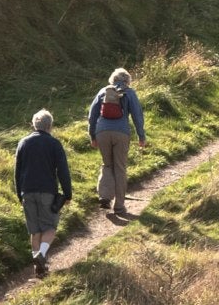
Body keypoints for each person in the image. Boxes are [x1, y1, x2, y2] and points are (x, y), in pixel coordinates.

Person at [14, 109, 73, 276]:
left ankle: (38, 267)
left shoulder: (23, 143)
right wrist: (67, 194)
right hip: (47, 191)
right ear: (50, 126)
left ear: (34, 125)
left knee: (35, 230)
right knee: (50, 227)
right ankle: (41, 255)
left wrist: (20, 193)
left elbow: (17, 172)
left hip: (27, 191)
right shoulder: (54, 144)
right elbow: (63, 171)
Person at [83, 68, 147, 218]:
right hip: (121, 133)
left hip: (102, 132)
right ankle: (119, 206)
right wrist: (141, 136)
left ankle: (105, 197)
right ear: (128, 81)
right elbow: (137, 115)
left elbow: (92, 116)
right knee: (120, 167)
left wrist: (92, 136)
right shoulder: (129, 93)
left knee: (107, 164)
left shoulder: (103, 91)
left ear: (112, 79)